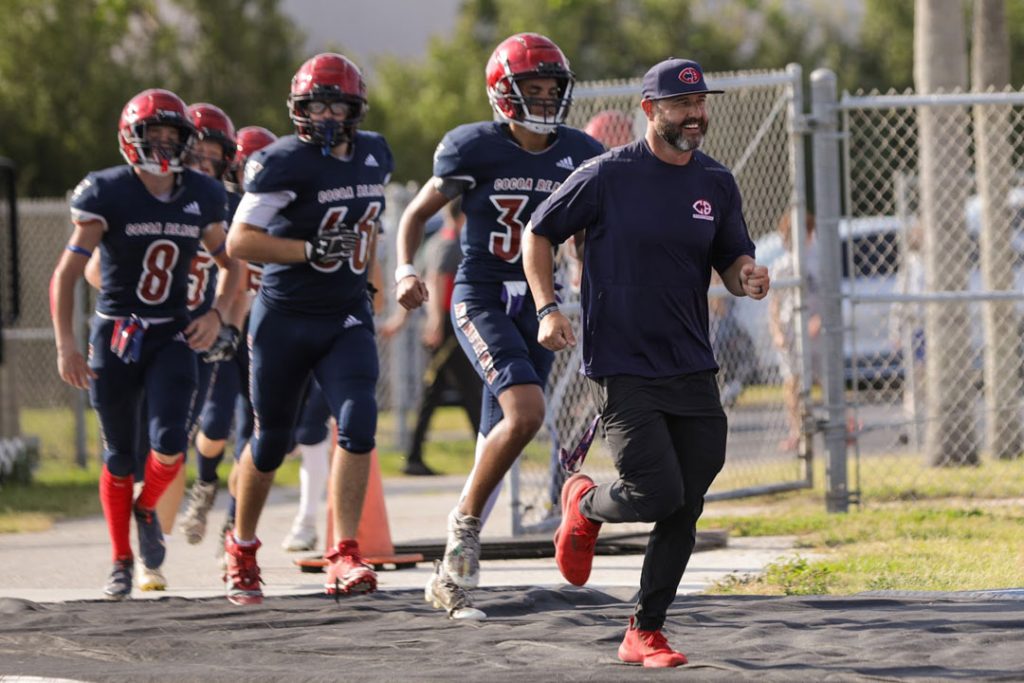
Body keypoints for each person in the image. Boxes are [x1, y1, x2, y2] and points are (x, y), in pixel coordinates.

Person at [524, 58, 770, 667]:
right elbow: (539, 232)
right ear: (650, 110)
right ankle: (582, 503)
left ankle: (645, 630)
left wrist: (747, 276)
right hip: (622, 362)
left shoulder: (715, 181)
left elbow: (732, 259)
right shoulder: (607, 175)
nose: (695, 114)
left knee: (687, 500)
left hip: (691, 362)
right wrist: (547, 307)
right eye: (682, 105)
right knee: (655, 491)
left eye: (700, 104)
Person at [395, 32, 604, 620]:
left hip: (543, 302)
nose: (543, 99)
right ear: (503, 94)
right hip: (483, 294)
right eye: (530, 89)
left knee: (499, 438)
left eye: (550, 89)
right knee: (527, 415)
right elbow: (415, 215)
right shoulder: (474, 148)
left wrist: (593, 288)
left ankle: (446, 576)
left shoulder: (579, 151)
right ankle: (463, 532)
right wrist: (405, 268)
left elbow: (585, 237)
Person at [50, 88, 240, 600]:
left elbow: (232, 264)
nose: (161, 143)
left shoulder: (202, 193)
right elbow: (67, 274)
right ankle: (119, 556)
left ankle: (146, 507)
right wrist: (67, 344)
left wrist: (219, 314)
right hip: (115, 331)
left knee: (170, 443)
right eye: (151, 134)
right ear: (130, 138)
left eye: (171, 135)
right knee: (118, 457)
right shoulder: (105, 192)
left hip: (172, 332)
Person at [224, 52, 392, 605]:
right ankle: (242, 546)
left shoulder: (374, 154)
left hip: (344, 313)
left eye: (335, 104)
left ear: (354, 108)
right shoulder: (281, 161)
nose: (325, 115)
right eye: (315, 105)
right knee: (272, 441)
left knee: (359, 418)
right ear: (298, 109)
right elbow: (240, 241)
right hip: (286, 317)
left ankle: (343, 550)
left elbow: (368, 229)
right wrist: (307, 249)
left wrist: (373, 280)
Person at [173, 102, 246, 548]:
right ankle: (204, 487)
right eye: (195, 152)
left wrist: (233, 324)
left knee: (259, 431)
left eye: (212, 153)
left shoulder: (240, 205)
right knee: (214, 423)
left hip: (252, 323)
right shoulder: (174, 200)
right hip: (202, 323)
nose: (203, 162)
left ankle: (236, 526)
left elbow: (244, 276)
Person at [380, 198, 483, 475]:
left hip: (446, 324)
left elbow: (421, 282)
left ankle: (415, 455)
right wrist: (437, 321)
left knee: (439, 392)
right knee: (470, 390)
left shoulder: (438, 240)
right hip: (450, 326)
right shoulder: (450, 241)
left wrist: (401, 320)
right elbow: (436, 280)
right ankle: (484, 455)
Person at [769, 212, 822, 451]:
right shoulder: (781, 265)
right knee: (792, 382)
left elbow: (826, 298)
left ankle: (840, 423)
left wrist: (818, 320)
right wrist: (777, 332)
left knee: (822, 378)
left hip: (814, 331)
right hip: (790, 329)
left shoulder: (817, 263)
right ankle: (796, 430)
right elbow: (774, 305)